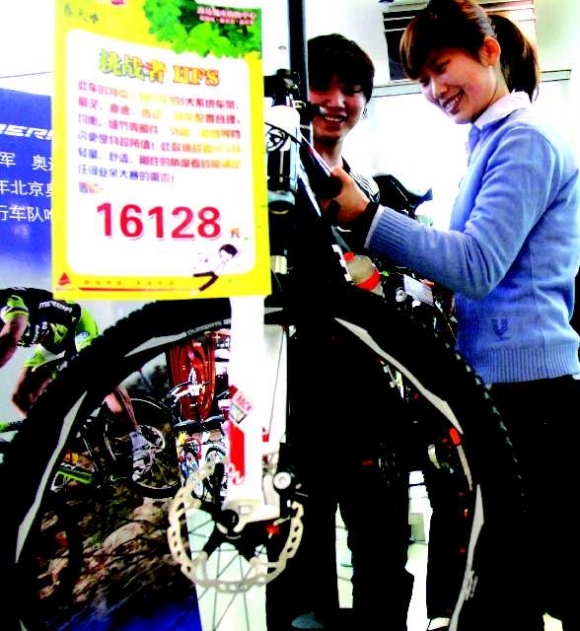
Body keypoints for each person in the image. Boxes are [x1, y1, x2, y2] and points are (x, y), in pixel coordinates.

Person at [321, 2, 580, 630]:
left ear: (489, 52)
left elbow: (478, 264)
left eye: (441, 68)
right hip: (503, 383)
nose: (435, 90)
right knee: (503, 580)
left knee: (509, 581)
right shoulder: (490, 139)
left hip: (528, 391)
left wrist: (369, 218)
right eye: (422, 80)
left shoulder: (525, 139)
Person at [266, 33, 414, 631]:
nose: (336, 101)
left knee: (383, 554)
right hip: (295, 399)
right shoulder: (274, 184)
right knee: (297, 567)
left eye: (352, 90)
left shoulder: (368, 188)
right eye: (321, 87)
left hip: (370, 399)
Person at [0, 287, 156, 481]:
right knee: (21, 397)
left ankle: (139, 440)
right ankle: (66, 452)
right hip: (51, 345)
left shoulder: (8, 302)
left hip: (76, 326)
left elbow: (10, 338)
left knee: (99, 372)